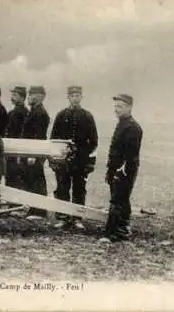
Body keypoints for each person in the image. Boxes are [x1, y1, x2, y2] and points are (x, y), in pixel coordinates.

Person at [50, 86, 98, 229]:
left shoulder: (88, 117)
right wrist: (55, 158)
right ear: (68, 97)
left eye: (78, 95)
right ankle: (62, 217)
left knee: (79, 188)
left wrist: (86, 157)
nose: (75, 98)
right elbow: (53, 139)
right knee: (62, 187)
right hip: (63, 160)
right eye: (72, 95)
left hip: (80, 160)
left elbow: (94, 141)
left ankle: (77, 218)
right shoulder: (61, 116)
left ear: (81, 97)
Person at [103, 94, 143, 242]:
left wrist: (120, 172)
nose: (116, 109)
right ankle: (123, 229)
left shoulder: (132, 127)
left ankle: (113, 234)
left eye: (120, 106)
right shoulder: (122, 124)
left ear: (129, 107)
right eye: (115, 106)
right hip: (117, 169)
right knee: (121, 200)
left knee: (118, 200)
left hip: (124, 171)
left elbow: (130, 155)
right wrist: (110, 170)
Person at [20, 85, 50, 220]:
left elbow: (39, 136)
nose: (29, 97)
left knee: (37, 180)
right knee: (31, 179)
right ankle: (34, 209)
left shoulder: (40, 113)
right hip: (30, 151)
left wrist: (33, 154)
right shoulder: (33, 111)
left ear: (40, 97)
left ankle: (40, 211)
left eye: (32, 95)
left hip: (35, 152)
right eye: (29, 94)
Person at [4, 86, 29, 190]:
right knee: (10, 179)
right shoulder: (11, 113)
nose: (12, 97)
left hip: (18, 152)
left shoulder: (24, 113)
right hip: (10, 153)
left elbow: (23, 135)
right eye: (12, 95)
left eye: (15, 95)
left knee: (17, 180)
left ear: (22, 98)